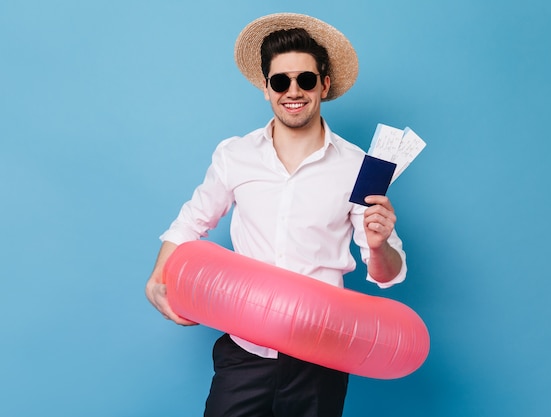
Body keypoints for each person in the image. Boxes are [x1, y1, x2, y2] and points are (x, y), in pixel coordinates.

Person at [145, 13, 408, 417]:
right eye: (280, 81)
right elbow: (190, 222)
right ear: (266, 89)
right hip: (245, 351)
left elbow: (386, 274)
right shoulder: (235, 155)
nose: (293, 91)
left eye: (305, 79)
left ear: (324, 84)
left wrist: (378, 245)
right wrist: (156, 280)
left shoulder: (361, 166)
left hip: (321, 357)